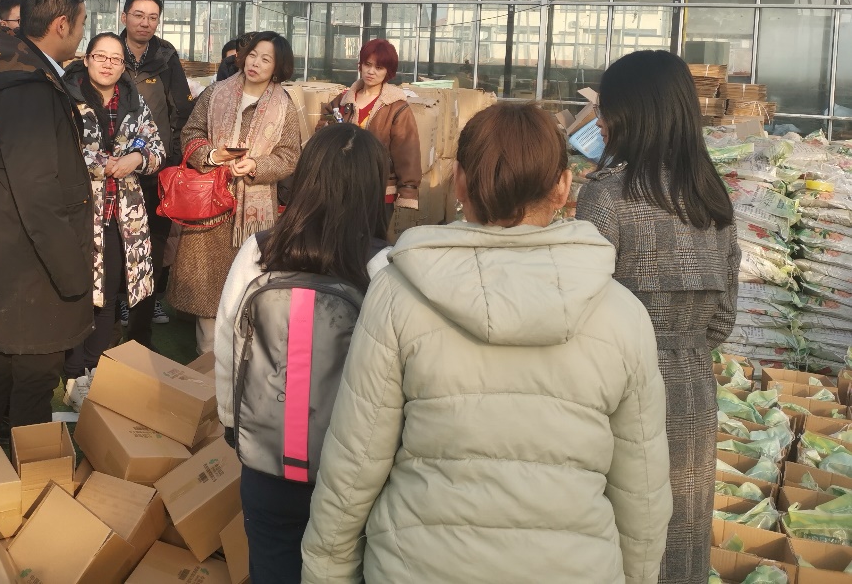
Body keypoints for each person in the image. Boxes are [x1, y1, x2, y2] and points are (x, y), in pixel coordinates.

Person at [300, 102, 672, 584]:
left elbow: (355, 461)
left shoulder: (399, 294)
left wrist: (326, 571)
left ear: (459, 182)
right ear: (564, 187)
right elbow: (642, 490)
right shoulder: (622, 314)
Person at [577, 49, 740, 584]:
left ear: (634, 113)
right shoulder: (712, 199)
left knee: (620, 537)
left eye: (606, 107)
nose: (599, 120)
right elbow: (723, 320)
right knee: (680, 535)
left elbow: (584, 307)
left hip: (618, 388)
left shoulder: (605, 196)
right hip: (692, 388)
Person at [214, 123, 389, 583]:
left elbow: (227, 341)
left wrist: (232, 423)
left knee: (271, 562)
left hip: (266, 455)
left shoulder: (260, 251)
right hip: (350, 470)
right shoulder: (383, 265)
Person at [0, 0, 92, 433]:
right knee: (32, 381)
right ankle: (28, 475)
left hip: (5, 258)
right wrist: (72, 272)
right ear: (61, 24)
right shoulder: (28, 88)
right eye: (82, 22)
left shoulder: (8, 75)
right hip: (31, 269)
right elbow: (38, 193)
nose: (82, 32)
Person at [168, 31, 301, 354]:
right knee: (207, 291)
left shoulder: (284, 105)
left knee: (247, 288)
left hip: (253, 215)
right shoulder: (216, 92)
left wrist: (256, 165)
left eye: (266, 59)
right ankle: (206, 365)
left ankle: (242, 363)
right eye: (252, 55)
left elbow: (289, 156)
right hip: (209, 207)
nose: (255, 63)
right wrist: (213, 156)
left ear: (278, 66)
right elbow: (191, 133)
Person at [61, 33, 165, 411]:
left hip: (122, 215)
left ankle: (91, 366)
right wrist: (102, 165)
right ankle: (73, 372)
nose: (107, 64)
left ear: (123, 66)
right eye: (100, 56)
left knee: (108, 294)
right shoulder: (67, 98)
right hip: (77, 214)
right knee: (77, 294)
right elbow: (58, 150)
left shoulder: (134, 101)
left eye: (115, 59)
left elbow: (158, 149)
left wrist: (137, 159)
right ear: (86, 59)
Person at [120, 0, 193, 329]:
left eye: (152, 17)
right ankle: (121, 299)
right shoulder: (110, 51)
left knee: (156, 238)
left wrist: (173, 160)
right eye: (138, 15)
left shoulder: (165, 57)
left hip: (158, 167)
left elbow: (182, 111)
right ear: (124, 17)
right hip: (117, 169)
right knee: (119, 239)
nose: (145, 23)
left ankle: (148, 303)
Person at [318, 39, 421, 238]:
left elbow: (408, 151)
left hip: (379, 190)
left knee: (371, 244)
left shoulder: (396, 107)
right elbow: (323, 129)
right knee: (338, 240)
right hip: (342, 185)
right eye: (367, 64)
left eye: (379, 67)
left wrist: (408, 190)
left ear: (388, 72)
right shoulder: (343, 100)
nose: (371, 71)